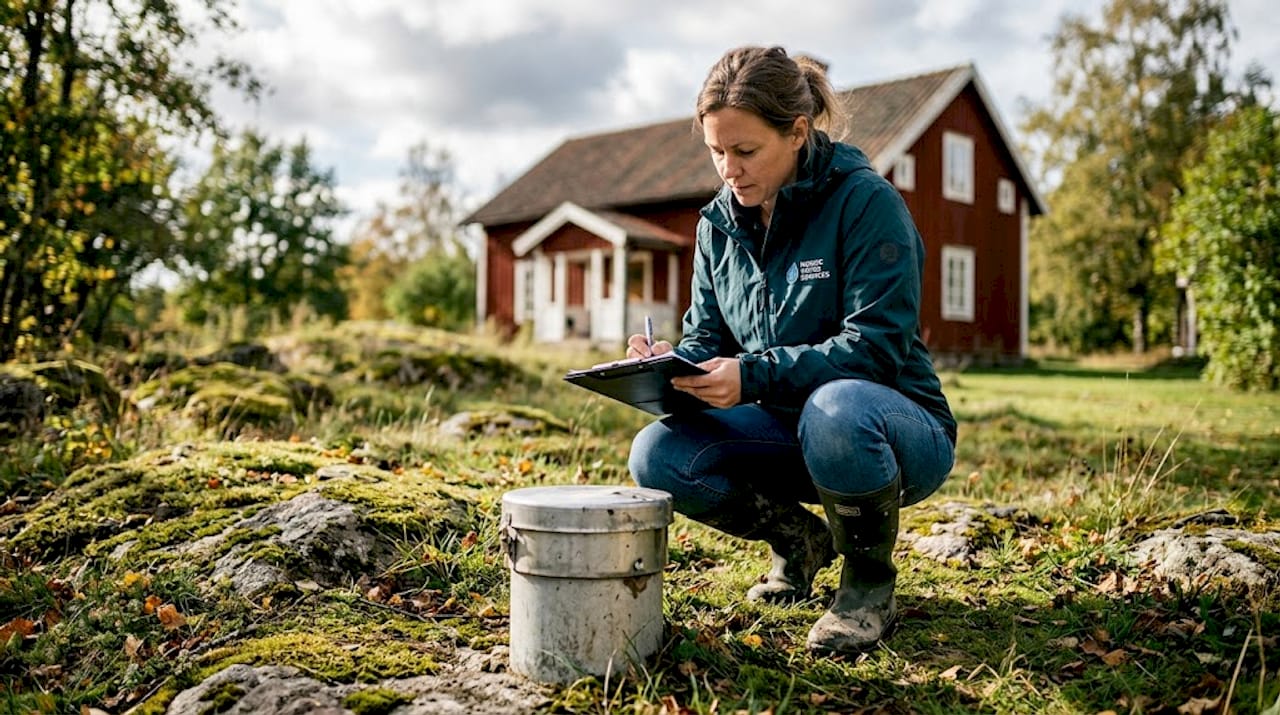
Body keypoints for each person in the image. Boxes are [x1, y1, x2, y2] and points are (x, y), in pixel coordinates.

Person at [626, 46, 957, 655]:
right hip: (783, 429)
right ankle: (801, 541)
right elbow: (709, 338)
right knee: (657, 455)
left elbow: (875, 349)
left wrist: (751, 376)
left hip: (891, 429)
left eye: (746, 151)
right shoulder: (717, 226)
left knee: (837, 408)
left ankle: (866, 587)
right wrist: (671, 363)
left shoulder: (864, 203)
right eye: (716, 152)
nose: (729, 169)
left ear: (798, 132)